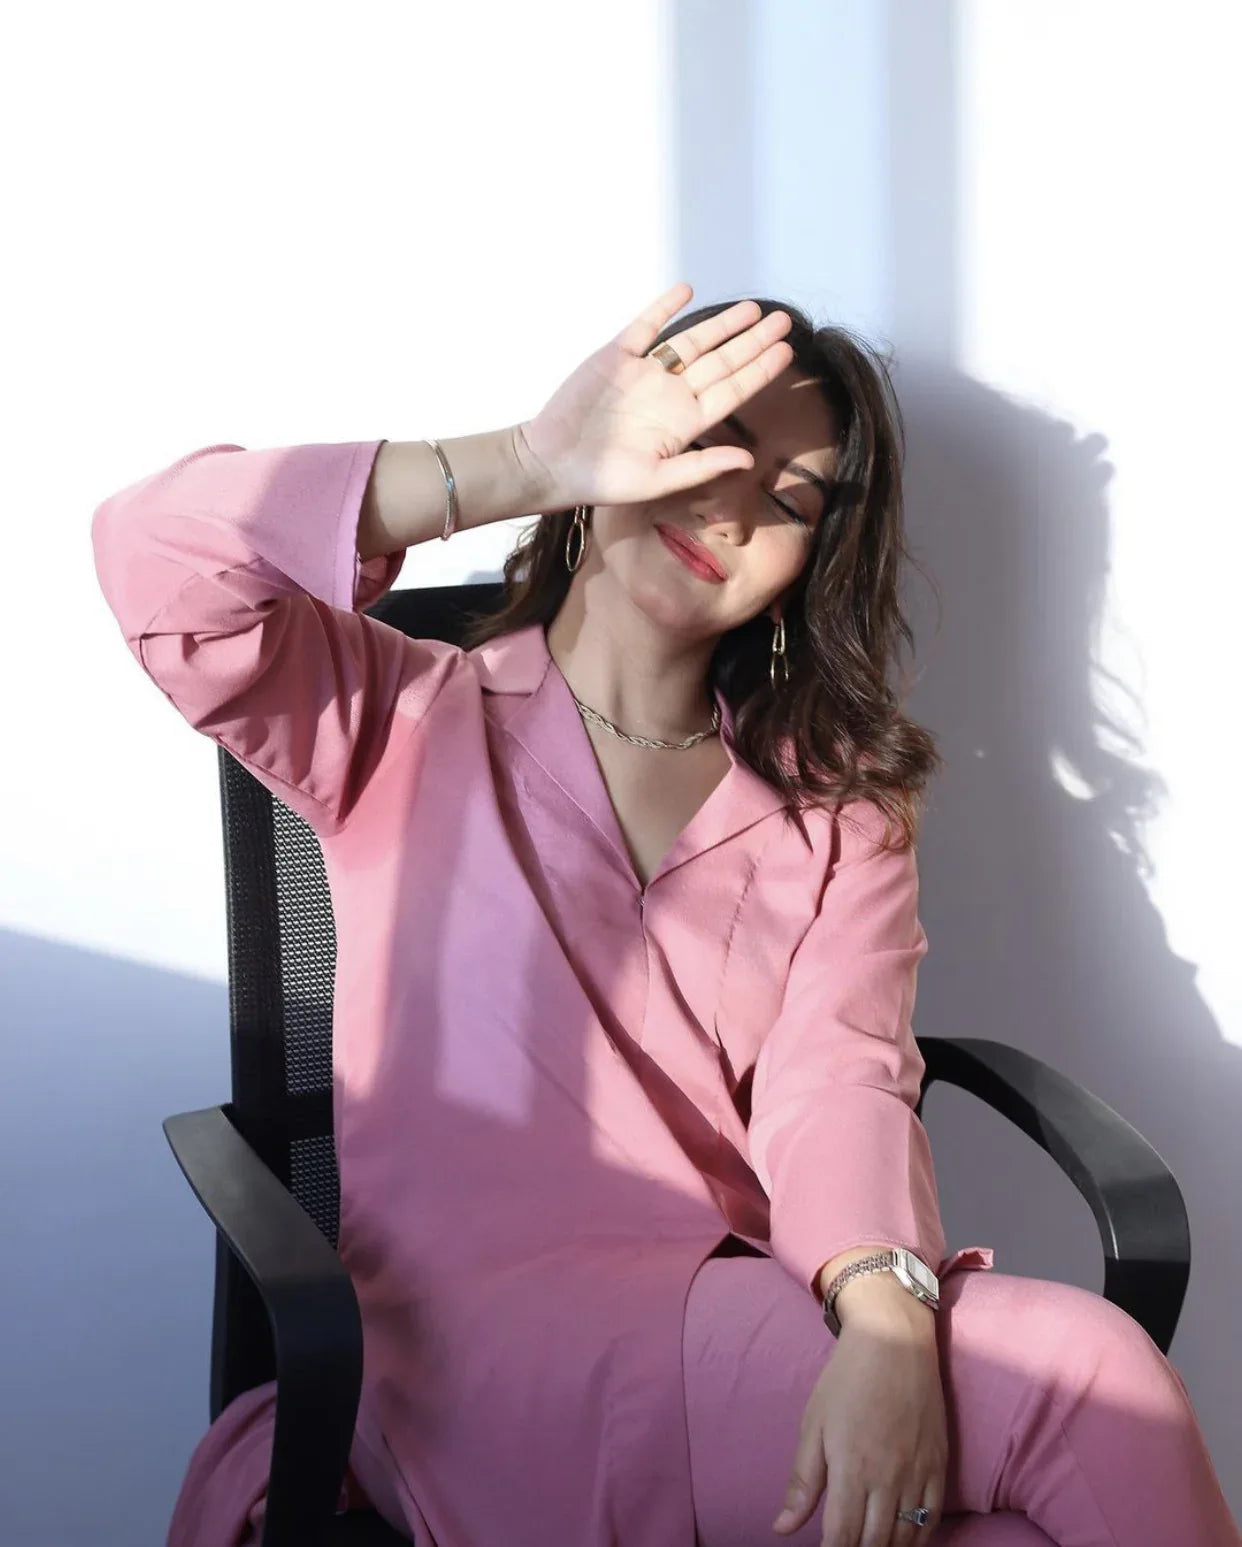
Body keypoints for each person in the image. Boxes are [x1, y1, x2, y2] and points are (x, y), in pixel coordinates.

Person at [92, 284, 1240, 1547]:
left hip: (730, 1328)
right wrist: (523, 461)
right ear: (609, 463)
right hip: (467, 1359)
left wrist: (884, 1314)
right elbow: (156, 553)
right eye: (706, 449)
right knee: (1090, 1383)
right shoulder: (396, 719)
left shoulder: (838, 816)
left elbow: (840, 1077)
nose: (732, 509)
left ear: (805, 574)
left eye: (790, 503)